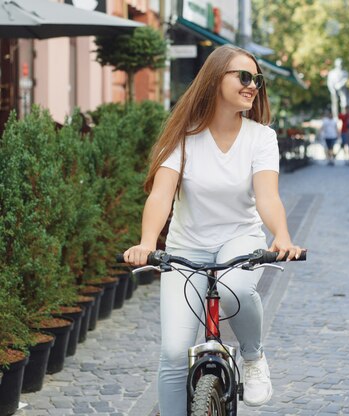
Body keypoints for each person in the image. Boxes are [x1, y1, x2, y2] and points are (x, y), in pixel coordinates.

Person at [122, 45, 303, 416]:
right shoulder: (183, 136)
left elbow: (267, 197)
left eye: (257, 79)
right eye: (244, 76)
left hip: (239, 238)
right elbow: (161, 196)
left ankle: (252, 357)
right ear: (214, 78)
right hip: (186, 247)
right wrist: (146, 243)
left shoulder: (260, 137)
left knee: (235, 287)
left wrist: (281, 236)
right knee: (174, 352)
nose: (253, 85)